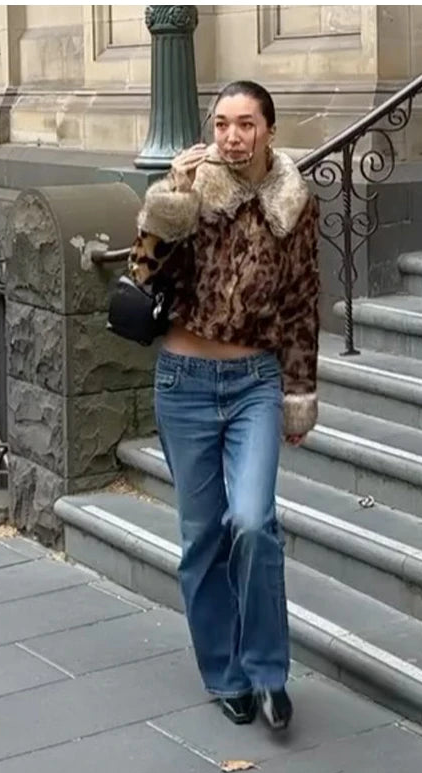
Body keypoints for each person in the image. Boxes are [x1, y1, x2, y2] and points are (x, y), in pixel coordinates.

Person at [128, 80, 320, 730]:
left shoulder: (294, 204)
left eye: (245, 124)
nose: (231, 136)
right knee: (202, 537)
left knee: (253, 523)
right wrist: (169, 204)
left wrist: (299, 392)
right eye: (221, 124)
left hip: (255, 387)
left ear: (268, 128)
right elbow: (142, 277)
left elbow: (300, 305)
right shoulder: (193, 192)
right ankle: (225, 673)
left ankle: (268, 673)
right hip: (184, 383)